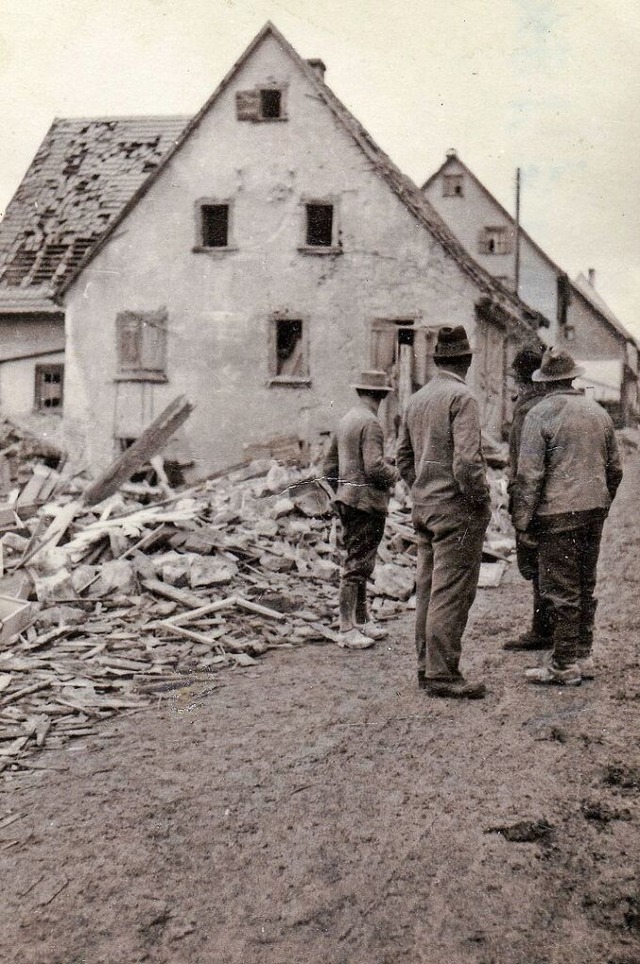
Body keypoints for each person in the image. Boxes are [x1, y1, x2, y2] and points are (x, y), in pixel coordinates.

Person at [511, 346, 623, 685]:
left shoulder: (539, 415)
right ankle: (583, 654)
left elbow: (529, 476)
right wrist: (602, 503)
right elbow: (615, 469)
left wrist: (523, 521)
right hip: (593, 511)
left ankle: (563, 664)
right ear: (573, 377)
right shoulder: (598, 413)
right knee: (585, 583)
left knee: (560, 588)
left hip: (557, 514)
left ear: (545, 381)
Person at [397, 325, 491, 699]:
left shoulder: (417, 399)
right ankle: (442, 673)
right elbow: (468, 463)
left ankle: (426, 667)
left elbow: (403, 457)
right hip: (456, 512)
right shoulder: (462, 397)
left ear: (439, 360)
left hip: (425, 509)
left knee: (429, 590)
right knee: (451, 593)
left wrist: (422, 487)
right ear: (466, 361)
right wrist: (480, 499)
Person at [323, 370, 397, 649]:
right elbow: (375, 467)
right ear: (381, 396)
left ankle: (362, 619)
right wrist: (395, 475)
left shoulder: (346, 420)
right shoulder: (372, 424)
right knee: (357, 565)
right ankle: (345, 627)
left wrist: (340, 492)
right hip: (367, 503)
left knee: (360, 562)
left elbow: (328, 466)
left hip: (348, 500)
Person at [503, 344, 553, 651]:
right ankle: (554, 628)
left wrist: (519, 510)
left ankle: (542, 628)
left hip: (530, 493)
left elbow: (523, 465)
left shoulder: (526, 409)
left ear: (523, 378)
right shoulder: (552, 403)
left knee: (534, 564)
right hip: (555, 496)